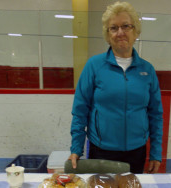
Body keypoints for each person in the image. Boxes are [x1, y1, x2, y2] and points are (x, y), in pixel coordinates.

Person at [68, 1, 163, 174]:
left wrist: (156, 152)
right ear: (108, 33)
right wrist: (76, 148)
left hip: (137, 151)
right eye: (114, 28)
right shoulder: (94, 66)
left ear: (135, 31)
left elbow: (156, 114)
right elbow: (80, 110)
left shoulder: (147, 70)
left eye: (126, 26)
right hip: (101, 151)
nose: (120, 32)